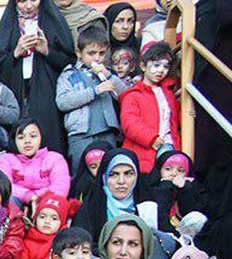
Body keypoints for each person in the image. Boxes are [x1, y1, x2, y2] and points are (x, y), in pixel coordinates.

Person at [0, 0, 75, 155]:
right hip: (16, 93)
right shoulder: (8, 25)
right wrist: (16, 53)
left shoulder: (53, 22)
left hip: (47, 94)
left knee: (48, 140)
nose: (28, 6)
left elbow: (68, 61)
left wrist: (47, 51)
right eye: (22, 1)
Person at [55, 24, 133, 167]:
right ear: (79, 53)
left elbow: (127, 96)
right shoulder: (70, 74)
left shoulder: (108, 73)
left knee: (108, 171)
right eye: (91, 53)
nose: (97, 58)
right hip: (81, 135)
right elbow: (63, 102)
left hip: (108, 132)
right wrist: (95, 91)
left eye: (101, 53)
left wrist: (109, 76)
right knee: (81, 173)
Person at [119, 43, 181, 174]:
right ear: (143, 66)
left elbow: (174, 118)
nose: (161, 70)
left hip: (168, 143)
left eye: (166, 66)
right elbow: (129, 122)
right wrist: (151, 138)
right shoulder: (133, 94)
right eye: (156, 65)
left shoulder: (168, 93)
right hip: (145, 148)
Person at [0, 119, 71, 208]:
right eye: (21, 137)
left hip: (47, 203)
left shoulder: (55, 158)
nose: (27, 141)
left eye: (33, 136)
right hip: (17, 204)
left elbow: (60, 187)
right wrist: (29, 196)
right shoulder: (5, 159)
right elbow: (4, 185)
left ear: (41, 138)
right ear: (14, 141)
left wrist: (39, 198)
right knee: (8, 199)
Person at [73, 148, 143, 240]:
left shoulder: (149, 206)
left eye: (128, 174)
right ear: (104, 178)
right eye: (113, 174)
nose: (121, 181)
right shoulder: (90, 209)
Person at [17, 192, 78, 259]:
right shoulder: (27, 242)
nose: (47, 221)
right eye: (42, 217)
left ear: (62, 222)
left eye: (54, 218)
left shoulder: (66, 242)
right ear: (35, 219)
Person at [142, 151, 206, 233]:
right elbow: (158, 218)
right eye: (168, 169)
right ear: (159, 170)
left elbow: (191, 215)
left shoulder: (194, 190)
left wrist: (185, 189)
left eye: (181, 170)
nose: (174, 174)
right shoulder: (148, 189)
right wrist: (165, 188)